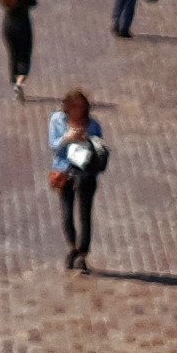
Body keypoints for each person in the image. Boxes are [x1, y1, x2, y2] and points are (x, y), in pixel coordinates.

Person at [46, 88, 106, 273]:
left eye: (81, 108)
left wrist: (88, 140)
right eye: (74, 108)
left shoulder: (93, 125)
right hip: (65, 171)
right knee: (67, 213)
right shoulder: (58, 120)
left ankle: (82, 253)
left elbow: (100, 149)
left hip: (85, 173)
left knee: (85, 214)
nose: (77, 111)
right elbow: (53, 145)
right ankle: (72, 247)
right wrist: (68, 137)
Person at [0, 0, 40, 96]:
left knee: (13, 55)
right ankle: (20, 82)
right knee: (24, 56)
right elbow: (34, 3)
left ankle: (14, 82)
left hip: (8, 25)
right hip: (23, 24)